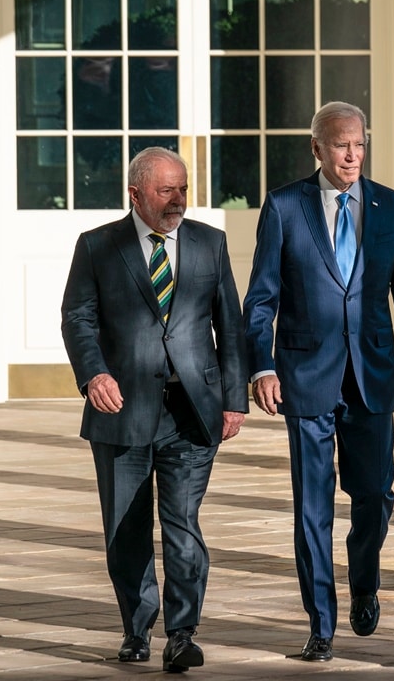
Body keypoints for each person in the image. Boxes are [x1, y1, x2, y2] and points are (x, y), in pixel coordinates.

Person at [243, 101, 394, 662]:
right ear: (317, 149)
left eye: (360, 144)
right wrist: (263, 364)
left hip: (372, 376)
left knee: (373, 496)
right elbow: (261, 298)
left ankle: (364, 581)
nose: (353, 155)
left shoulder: (390, 206)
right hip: (305, 376)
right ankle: (320, 625)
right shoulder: (283, 206)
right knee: (312, 507)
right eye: (342, 144)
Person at [61, 147, 248, 673]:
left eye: (183, 189)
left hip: (192, 409)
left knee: (183, 523)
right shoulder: (98, 246)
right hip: (121, 409)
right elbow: (77, 317)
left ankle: (182, 632)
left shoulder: (210, 243)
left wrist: (234, 399)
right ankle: (136, 628)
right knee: (126, 527)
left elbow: (228, 325)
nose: (178, 200)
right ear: (136, 193)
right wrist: (93, 373)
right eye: (167, 190)